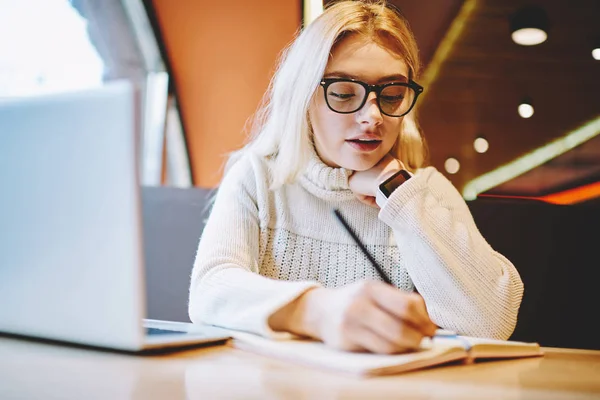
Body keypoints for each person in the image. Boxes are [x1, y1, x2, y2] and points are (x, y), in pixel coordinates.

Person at [189, 0, 524, 354]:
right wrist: (319, 311)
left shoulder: (422, 191)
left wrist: (398, 195)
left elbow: (493, 322)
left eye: (392, 95)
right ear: (303, 97)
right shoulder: (259, 177)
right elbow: (210, 291)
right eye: (345, 94)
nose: (372, 117)